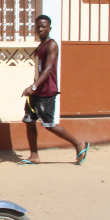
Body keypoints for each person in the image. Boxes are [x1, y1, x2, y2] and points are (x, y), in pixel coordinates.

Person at [20, 14, 90, 165]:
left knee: (48, 124)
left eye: (43, 26)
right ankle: (34, 155)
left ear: (49, 28)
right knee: (29, 121)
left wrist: (33, 87)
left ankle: (78, 143)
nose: (40, 29)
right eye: (38, 26)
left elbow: (48, 69)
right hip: (36, 92)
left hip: (46, 92)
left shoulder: (52, 45)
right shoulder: (40, 46)